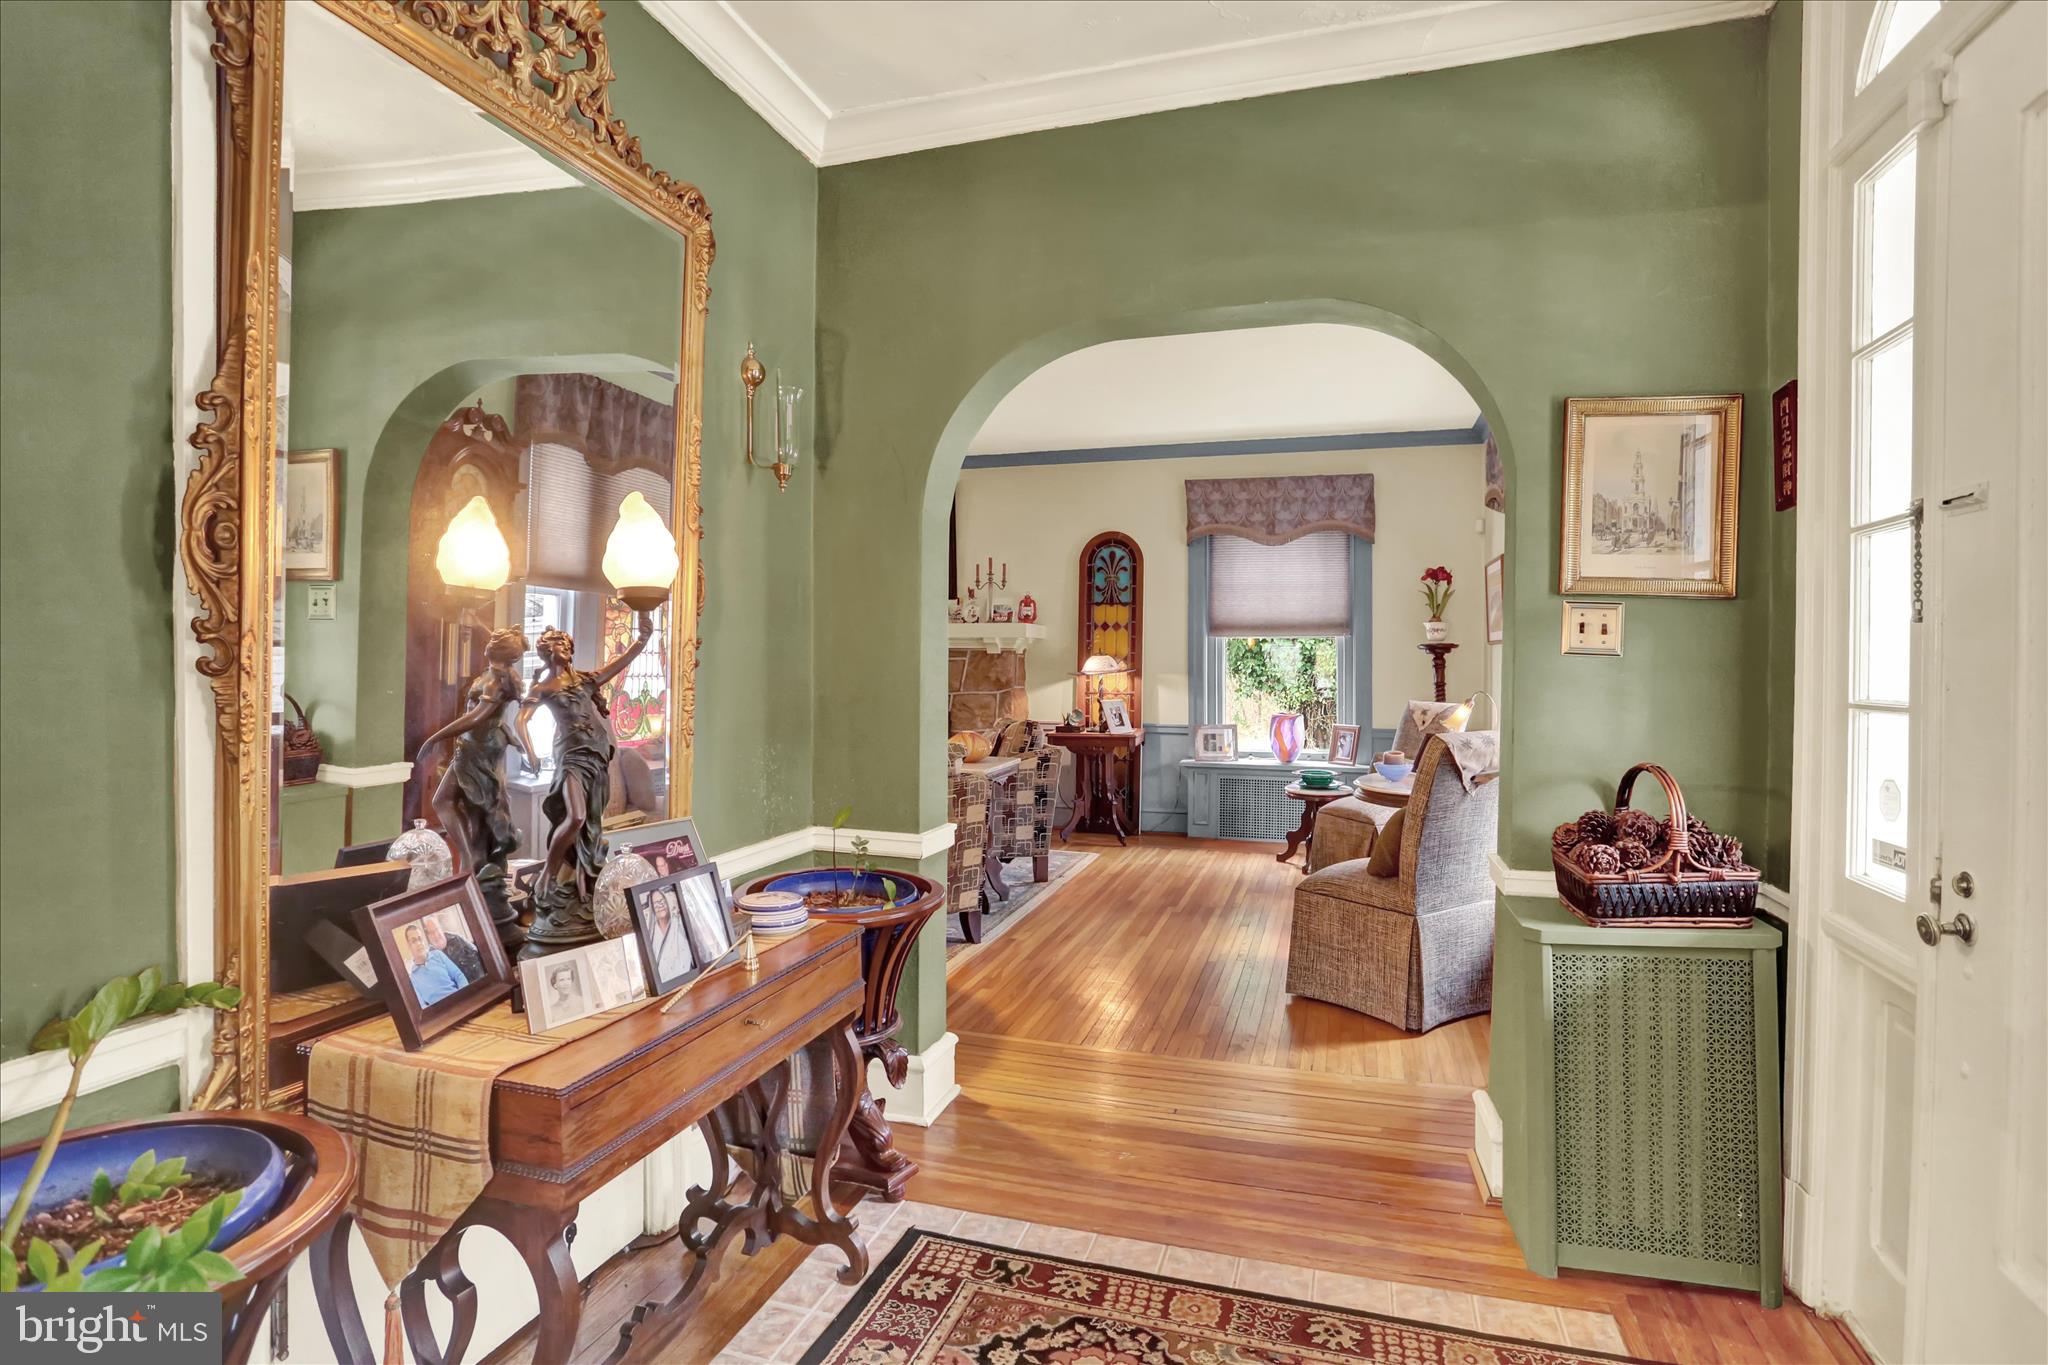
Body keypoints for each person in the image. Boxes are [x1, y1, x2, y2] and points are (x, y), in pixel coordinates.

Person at [516, 618, 653, 947]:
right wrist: (530, 752)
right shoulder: (544, 688)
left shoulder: (587, 680)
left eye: (565, 644)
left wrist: (643, 637)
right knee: (575, 816)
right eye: (555, 645)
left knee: (592, 823)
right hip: (569, 757)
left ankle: (580, 880)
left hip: (596, 755)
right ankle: (549, 872)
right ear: (547, 654)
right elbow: (522, 720)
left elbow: (622, 662)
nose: (562, 649)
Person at [402, 923, 467, 1009]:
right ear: (408, 946)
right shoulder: (412, 978)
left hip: (460, 1001)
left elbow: (459, 976)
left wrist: (464, 998)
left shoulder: (438, 955)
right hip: (440, 1014)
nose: (419, 943)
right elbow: (422, 1006)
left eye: (420, 939)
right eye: (414, 941)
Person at [644, 889, 693, 986]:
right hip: (665, 986)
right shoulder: (651, 934)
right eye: (656, 903)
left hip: (687, 980)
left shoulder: (678, 924)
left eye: (663, 901)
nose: (661, 906)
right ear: (652, 908)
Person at [424, 914, 483, 983]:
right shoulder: (430, 958)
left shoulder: (457, 939)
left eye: (436, 929)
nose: (435, 935)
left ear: (441, 928)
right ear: (428, 936)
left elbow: (476, 953)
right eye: (431, 932)